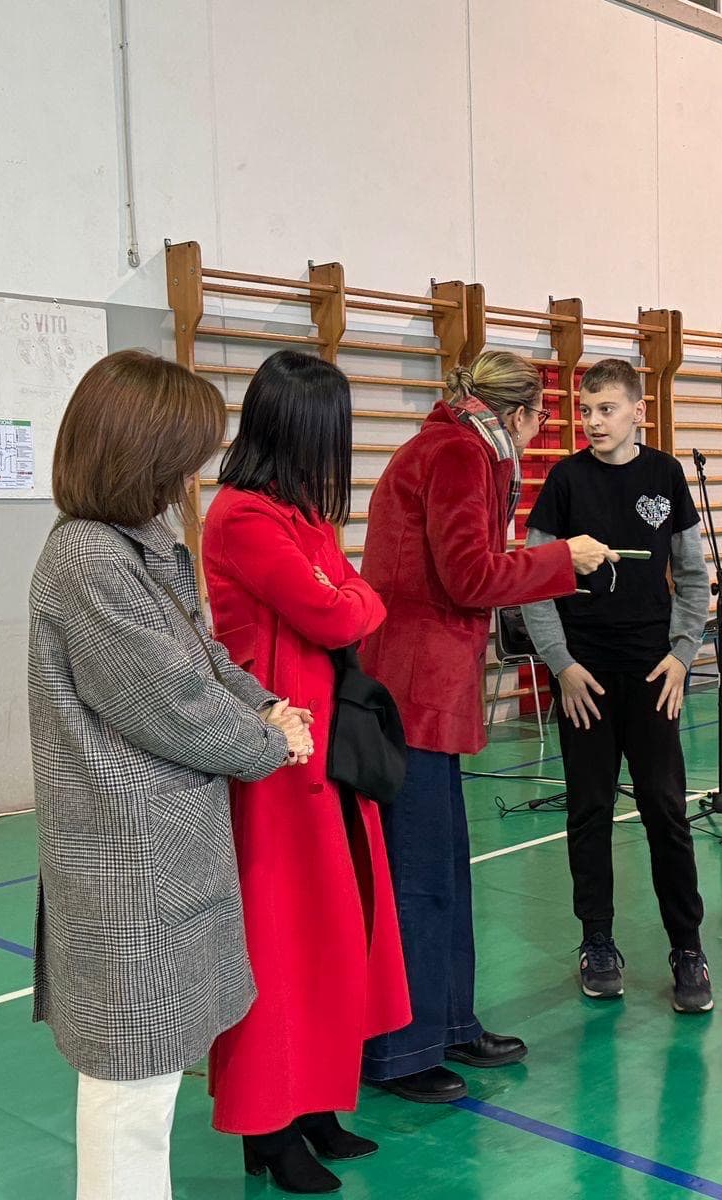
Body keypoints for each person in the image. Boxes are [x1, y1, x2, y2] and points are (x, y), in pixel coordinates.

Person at [28, 348, 313, 1200]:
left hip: (164, 852)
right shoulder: (88, 561)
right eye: (185, 453)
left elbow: (203, 657)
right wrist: (268, 739)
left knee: (147, 1084)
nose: (196, 473)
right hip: (126, 863)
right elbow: (170, 701)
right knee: (130, 1094)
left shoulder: (138, 543)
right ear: (140, 452)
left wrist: (267, 706)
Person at [359, 350, 616, 1103]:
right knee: (419, 876)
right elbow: (469, 576)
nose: (540, 438)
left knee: (443, 869)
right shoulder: (457, 453)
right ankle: (405, 1049)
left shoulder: (461, 447)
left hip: (427, 680)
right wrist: (560, 559)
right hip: (413, 686)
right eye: (541, 421)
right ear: (519, 413)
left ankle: (448, 1020)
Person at [202, 351, 411, 1194]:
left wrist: (347, 596)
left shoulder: (297, 517)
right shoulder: (245, 518)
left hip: (325, 754)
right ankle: (268, 1123)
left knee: (338, 931)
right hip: (275, 762)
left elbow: (358, 596)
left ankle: (317, 1104)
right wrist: (347, 596)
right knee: (281, 941)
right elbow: (339, 605)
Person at [519, 358, 711, 1012]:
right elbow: (534, 580)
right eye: (586, 410)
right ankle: (596, 940)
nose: (594, 421)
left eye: (607, 409)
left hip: (654, 674)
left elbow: (692, 578)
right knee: (590, 809)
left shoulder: (665, 476)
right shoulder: (565, 481)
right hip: (584, 678)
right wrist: (562, 664)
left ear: (637, 412)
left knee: (666, 807)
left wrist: (683, 655)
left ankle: (687, 946)